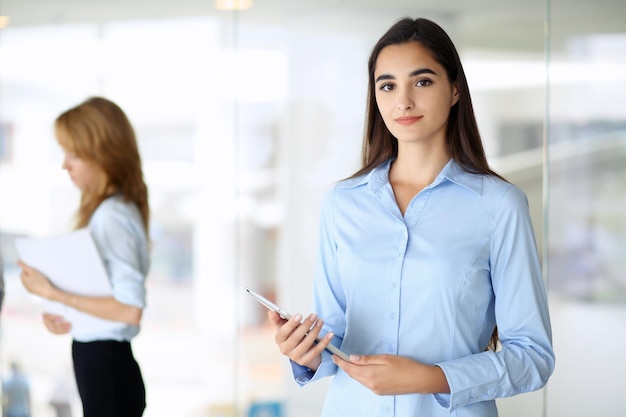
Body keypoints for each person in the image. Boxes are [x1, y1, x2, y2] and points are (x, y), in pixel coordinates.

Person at [268, 17, 555, 417]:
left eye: (422, 81)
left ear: (455, 89)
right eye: (387, 85)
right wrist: (306, 353)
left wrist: (429, 377)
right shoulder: (342, 203)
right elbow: (335, 337)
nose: (402, 100)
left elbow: (534, 357)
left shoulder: (499, 205)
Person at [18, 97, 150, 417]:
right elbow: (108, 299)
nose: (65, 165)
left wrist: (52, 292)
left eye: (73, 154)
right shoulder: (111, 212)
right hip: (102, 362)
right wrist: (64, 313)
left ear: (103, 155)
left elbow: (129, 310)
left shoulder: (112, 216)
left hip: (107, 365)